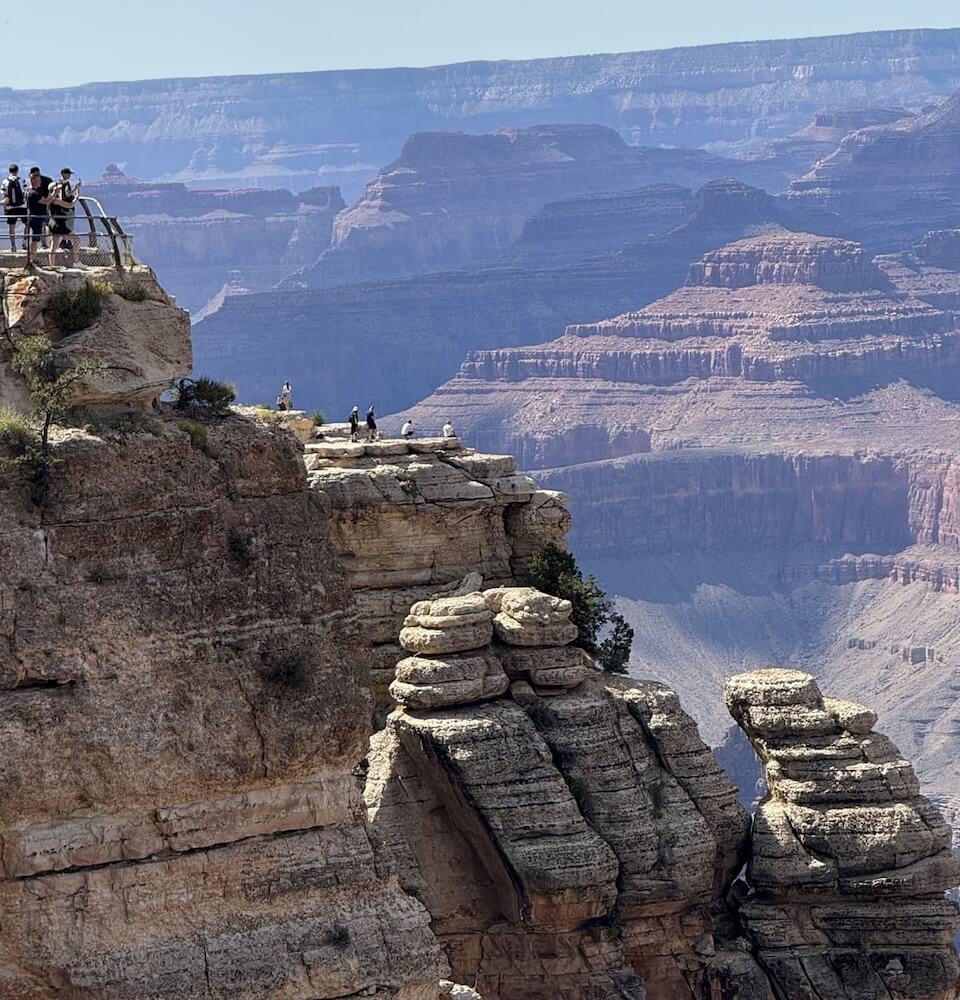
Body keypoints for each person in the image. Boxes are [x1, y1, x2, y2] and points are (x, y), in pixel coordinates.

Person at [47, 168, 81, 267]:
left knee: (54, 245)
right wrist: (76, 198)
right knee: (76, 239)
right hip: (60, 224)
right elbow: (69, 205)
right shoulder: (55, 200)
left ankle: (52, 265)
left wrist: (74, 189)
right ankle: (76, 261)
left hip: (53, 223)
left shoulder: (50, 200)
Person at [26, 167, 52, 255]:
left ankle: (33, 258)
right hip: (35, 218)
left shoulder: (38, 191)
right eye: (38, 180)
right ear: (34, 180)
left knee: (36, 239)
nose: (40, 181)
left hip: (38, 217)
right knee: (35, 239)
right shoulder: (33, 193)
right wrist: (55, 193)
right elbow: (46, 201)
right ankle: (32, 259)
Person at [1, 165, 26, 251]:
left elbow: (3, 194)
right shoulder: (21, 180)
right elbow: (25, 191)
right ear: (17, 171)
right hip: (22, 206)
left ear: (9, 171)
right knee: (26, 224)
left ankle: (13, 246)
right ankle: (24, 242)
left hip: (10, 207)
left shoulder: (5, 181)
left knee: (11, 227)